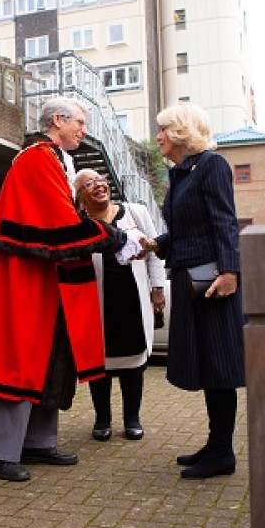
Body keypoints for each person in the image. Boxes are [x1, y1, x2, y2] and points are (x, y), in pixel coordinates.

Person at [0, 97, 127, 482]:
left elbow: (59, 219)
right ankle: (1, 452)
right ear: (58, 120)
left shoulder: (50, 159)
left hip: (42, 281)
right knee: (21, 361)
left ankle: (38, 443)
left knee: (49, 359)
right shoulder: (39, 158)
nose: (84, 130)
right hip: (27, 282)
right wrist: (108, 233)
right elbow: (59, 221)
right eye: (80, 122)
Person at [139, 103, 244, 479]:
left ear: (182, 131)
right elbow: (187, 229)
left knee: (217, 363)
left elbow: (224, 222)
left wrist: (231, 271)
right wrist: (156, 244)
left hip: (212, 282)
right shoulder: (182, 173)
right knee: (205, 362)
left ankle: (223, 453)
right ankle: (216, 445)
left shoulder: (212, 164)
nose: (158, 137)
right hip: (189, 277)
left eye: (163, 129)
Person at [73, 168, 165, 442]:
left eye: (101, 180)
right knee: (99, 360)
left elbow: (154, 253)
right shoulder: (79, 224)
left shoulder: (136, 212)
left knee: (134, 358)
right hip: (96, 300)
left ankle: (132, 418)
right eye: (89, 184)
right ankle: (102, 419)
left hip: (132, 298)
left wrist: (157, 288)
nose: (99, 185)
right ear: (80, 198)